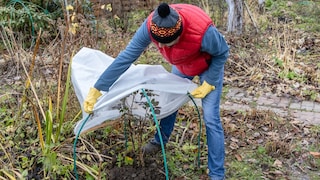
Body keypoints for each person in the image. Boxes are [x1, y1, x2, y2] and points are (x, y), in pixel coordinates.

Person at [83, 2, 229, 180]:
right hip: (182, 65)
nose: (162, 46)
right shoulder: (151, 25)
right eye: (158, 42)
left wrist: (210, 82)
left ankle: (217, 175)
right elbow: (126, 57)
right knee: (169, 100)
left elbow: (222, 52)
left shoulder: (203, 31)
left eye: (167, 43)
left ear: (180, 33)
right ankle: (159, 141)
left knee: (211, 118)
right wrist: (99, 87)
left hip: (208, 66)